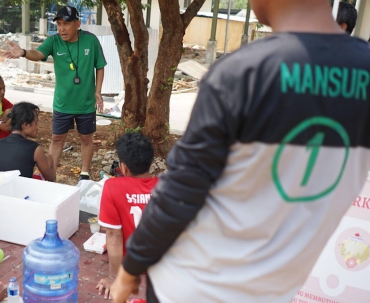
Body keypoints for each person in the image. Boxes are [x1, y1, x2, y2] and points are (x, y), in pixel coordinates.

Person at [110, 0, 370, 302]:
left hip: (190, 286)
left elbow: (180, 193)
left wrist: (129, 271)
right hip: (272, 292)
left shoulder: (244, 71)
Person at [5, 6, 107, 181]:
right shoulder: (54, 42)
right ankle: (50, 175)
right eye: (59, 24)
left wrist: (98, 91)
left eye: (66, 24)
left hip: (86, 103)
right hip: (63, 103)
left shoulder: (91, 40)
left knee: (86, 138)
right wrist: (23, 52)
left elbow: (100, 66)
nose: (61, 29)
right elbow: (38, 54)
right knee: (57, 138)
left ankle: (84, 173)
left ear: (77, 23)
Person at [95, 133, 158, 299]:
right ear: (150, 163)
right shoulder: (166, 186)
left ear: (123, 167)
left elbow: (114, 236)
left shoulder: (112, 186)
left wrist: (114, 278)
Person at [0, 102, 56, 181]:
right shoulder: (34, 148)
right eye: (36, 123)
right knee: (49, 158)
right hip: (23, 191)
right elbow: (49, 178)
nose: (37, 127)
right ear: (25, 125)